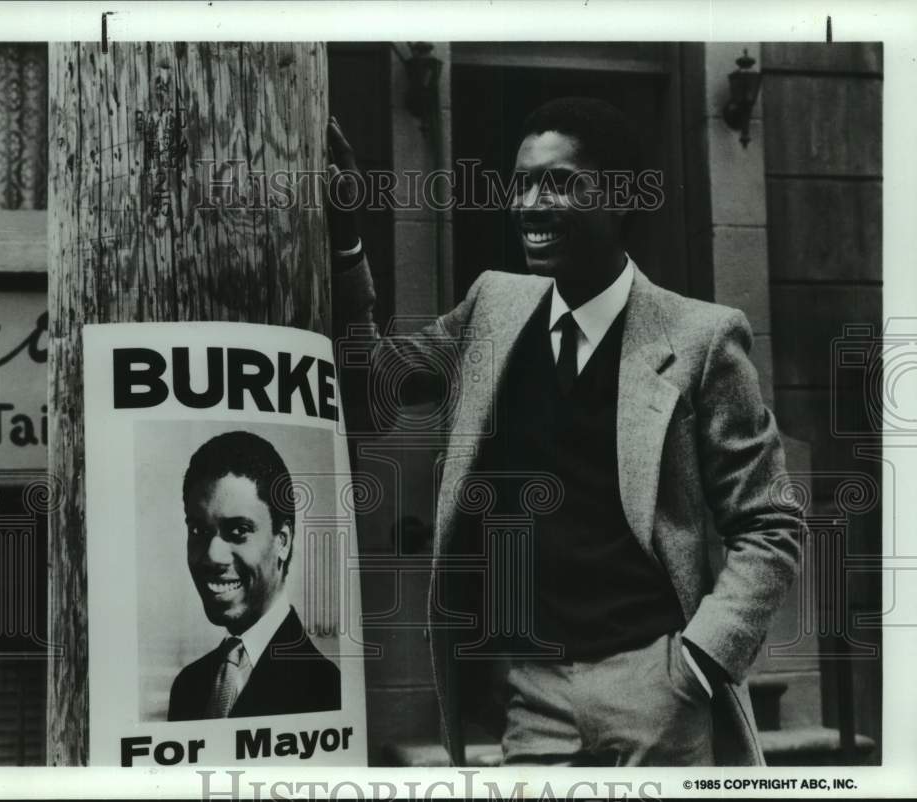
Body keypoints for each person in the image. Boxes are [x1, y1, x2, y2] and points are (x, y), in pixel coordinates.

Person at [327, 97, 801, 766]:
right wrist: (345, 238)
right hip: (533, 694)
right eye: (521, 183)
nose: (530, 203)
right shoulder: (493, 307)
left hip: (656, 690)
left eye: (559, 182)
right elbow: (368, 391)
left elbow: (771, 524)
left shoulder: (701, 339)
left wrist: (701, 659)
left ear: (620, 197)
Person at [167, 430, 341, 720]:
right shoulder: (188, 686)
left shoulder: (325, 689)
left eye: (238, 532)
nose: (212, 555)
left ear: (282, 541)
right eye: (198, 531)